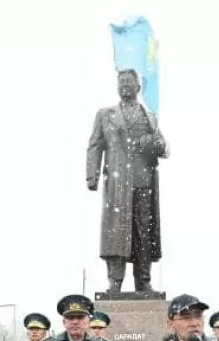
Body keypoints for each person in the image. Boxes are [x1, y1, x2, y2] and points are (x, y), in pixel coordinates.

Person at [87, 69, 167, 294]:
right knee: (116, 232)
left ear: (138, 87)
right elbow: (95, 144)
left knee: (144, 232)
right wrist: (91, 175)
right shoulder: (105, 114)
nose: (124, 86)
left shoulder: (149, 116)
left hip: (144, 182)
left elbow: (163, 146)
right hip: (118, 183)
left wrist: (157, 146)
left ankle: (143, 280)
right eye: (121, 82)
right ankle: (115, 281)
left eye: (129, 83)